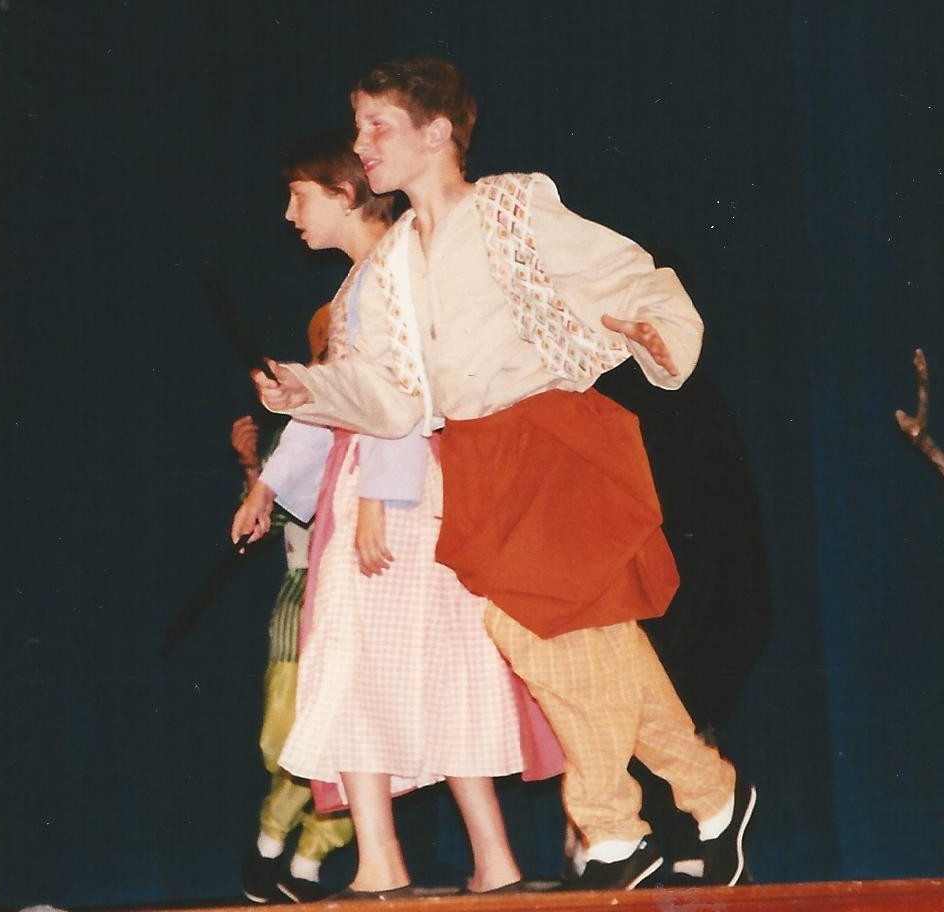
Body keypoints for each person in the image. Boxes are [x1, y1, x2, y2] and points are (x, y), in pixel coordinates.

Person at [254, 58, 756, 891]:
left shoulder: (511, 206)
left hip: (550, 437)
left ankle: (613, 833)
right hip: (477, 459)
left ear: (436, 133)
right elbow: (391, 395)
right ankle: (713, 795)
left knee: (537, 633)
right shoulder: (392, 262)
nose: (362, 142)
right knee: (593, 638)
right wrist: (313, 390)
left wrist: (659, 336)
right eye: (359, 126)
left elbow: (630, 276)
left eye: (378, 126)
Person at [233, 127, 563, 897]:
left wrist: (380, 497)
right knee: (443, 663)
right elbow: (342, 400)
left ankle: (383, 862)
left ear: (344, 194)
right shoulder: (364, 281)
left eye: (300, 196)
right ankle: (494, 860)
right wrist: (267, 487)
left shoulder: (388, 273)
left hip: (392, 489)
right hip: (403, 488)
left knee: (356, 664)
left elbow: (402, 395)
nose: (290, 215)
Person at [231, 312, 354, 905]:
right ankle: (269, 846)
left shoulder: (380, 405)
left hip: (365, 592)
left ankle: (303, 865)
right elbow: (267, 518)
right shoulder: (303, 426)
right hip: (305, 595)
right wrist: (252, 469)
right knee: (290, 734)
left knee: (359, 734)